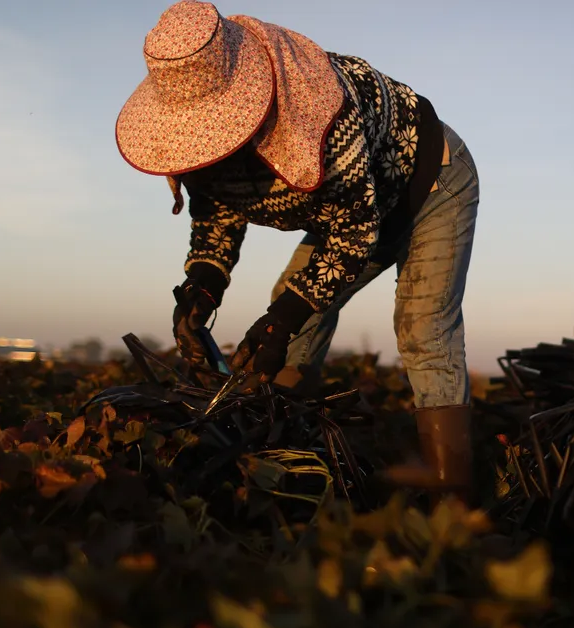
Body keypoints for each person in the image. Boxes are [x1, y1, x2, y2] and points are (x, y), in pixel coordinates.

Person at [114, 0, 479, 503]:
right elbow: (218, 219)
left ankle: (449, 476)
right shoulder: (198, 148)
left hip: (430, 182)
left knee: (422, 325)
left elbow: (352, 233)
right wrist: (201, 290)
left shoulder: (318, 110)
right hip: (356, 204)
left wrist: (281, 318)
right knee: (292, 302)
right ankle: (279, 427)